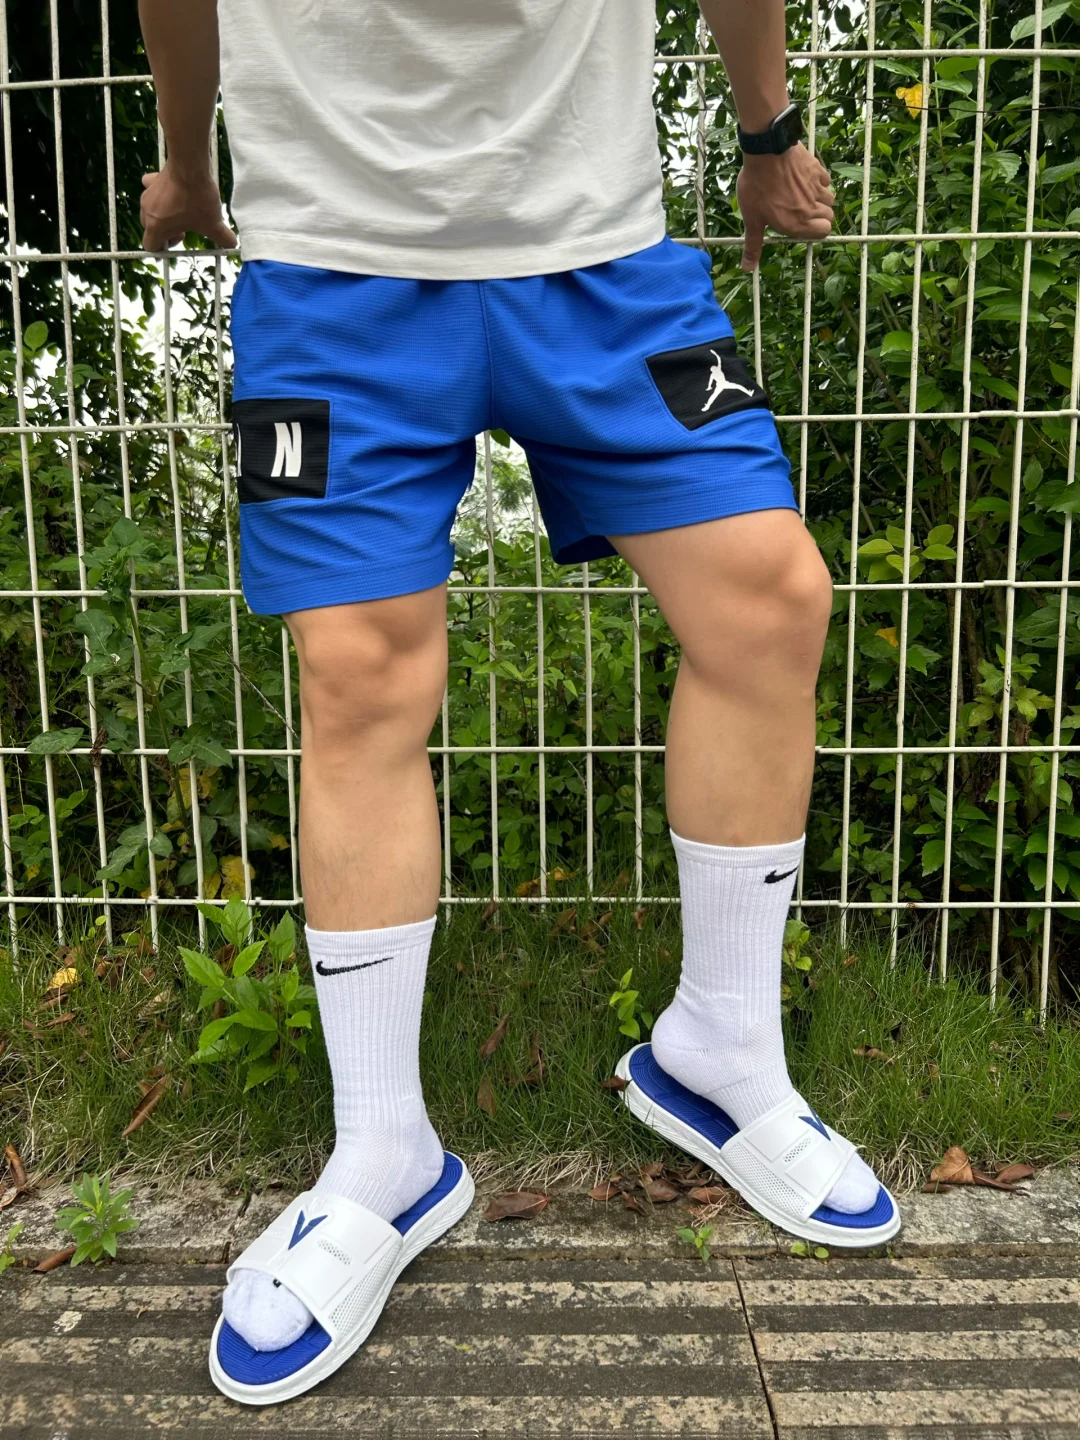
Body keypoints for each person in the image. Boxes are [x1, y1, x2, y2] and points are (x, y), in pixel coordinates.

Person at [137, 0, 900, 1405]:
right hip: (331, 268)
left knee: (770, 596)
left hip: (602, 252)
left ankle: (720, 1046)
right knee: (358, 672)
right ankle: (385, 1154)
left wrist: (768, 127)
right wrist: (188, 163)